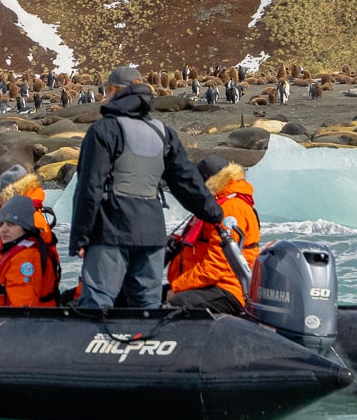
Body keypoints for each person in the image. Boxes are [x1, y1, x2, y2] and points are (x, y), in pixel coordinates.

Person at [69, 65, 225, 309]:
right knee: (147, 307)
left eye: (106, 90)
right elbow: (186, 181)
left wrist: (80, 237)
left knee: (98, 303)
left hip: (112, 231)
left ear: (114, 91)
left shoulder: (104, 130)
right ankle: (148, 345)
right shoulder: (163, 133)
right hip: (152, 233)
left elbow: (90, 187)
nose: (104, 96)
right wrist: (213, 212)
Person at [166, 156, 261, 314]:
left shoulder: (230, 209)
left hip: (229, 288)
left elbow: (218, 265)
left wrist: (177, 287)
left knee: (178, 302)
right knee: (154, 293)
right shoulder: (218, 204)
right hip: (210, 285)